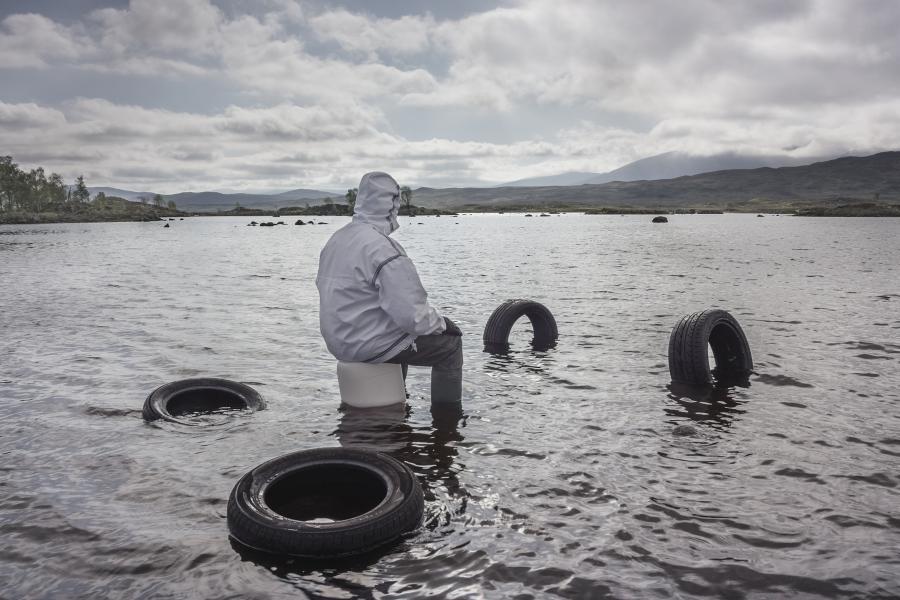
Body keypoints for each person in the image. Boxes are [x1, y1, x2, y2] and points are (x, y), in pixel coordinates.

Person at [316, 171, 463, 404]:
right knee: (450, 347)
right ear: (391, 204)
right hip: (366, 345)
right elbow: (413, 316)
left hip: (339, 340)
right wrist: (443, 324)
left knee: (400, 337)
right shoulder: (383, 249)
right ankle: (447, 422)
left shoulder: (336, 240)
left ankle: (397, 404)